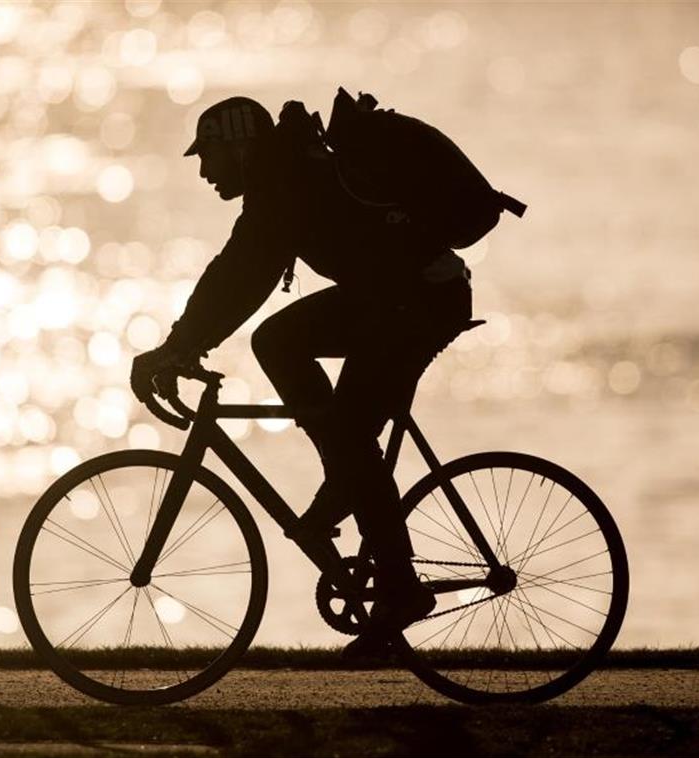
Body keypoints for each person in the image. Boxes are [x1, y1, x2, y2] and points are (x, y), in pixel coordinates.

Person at [130, 95, 475, 656]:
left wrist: (178, 346)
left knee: (337, 419)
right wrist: (184, 342)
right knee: (285, 350)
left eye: (208, 154)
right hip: (401, 300)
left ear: (238, 145)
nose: (202, 170)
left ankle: (398, 585)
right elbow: (242, 269)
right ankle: (347, 481)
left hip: (416, 303)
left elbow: (244, 270)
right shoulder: (288, 171)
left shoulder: (282, 176)